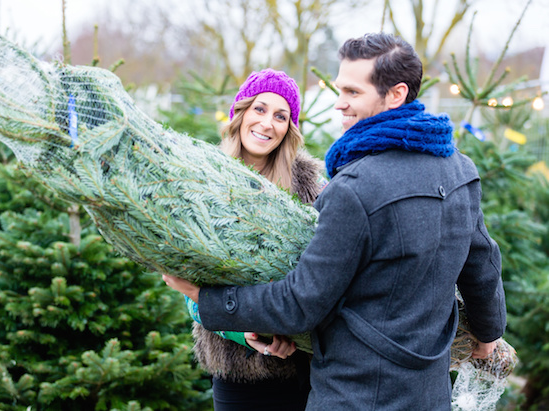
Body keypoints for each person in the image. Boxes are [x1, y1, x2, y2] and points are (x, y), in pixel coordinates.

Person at [163, 33, 507, 410]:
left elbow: (301, 302)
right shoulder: (461, 169)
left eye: (353, 92)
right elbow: (482, 268)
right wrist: (488, 333)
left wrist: (207, 298)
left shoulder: (353, 188)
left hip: (353, 394)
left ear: (395, 94)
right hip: (429, 395)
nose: (339, 103)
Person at [180, 68, 326, 411]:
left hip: (303, 371)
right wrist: (242, 332)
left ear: (289, 128)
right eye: (259, 109)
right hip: (238, 373)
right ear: (240, 112)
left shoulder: (310, 189)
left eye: (280, 116)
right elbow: (189, 292)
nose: (267, 123)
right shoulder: (206, 182)